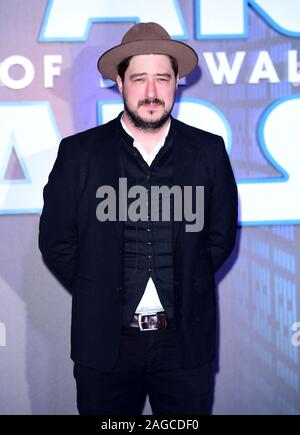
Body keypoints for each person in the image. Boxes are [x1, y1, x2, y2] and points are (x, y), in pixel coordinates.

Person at [39, 22, 238, 415]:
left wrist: (187, 280)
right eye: (139, 79)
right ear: (119, 81)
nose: (151, 92)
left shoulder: (209, 152)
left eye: (162, 79)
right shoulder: (79, 154)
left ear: (177, 82)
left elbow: (220, 237)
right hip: (105, 344)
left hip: (184, 343)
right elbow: (56, 241)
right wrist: (98, 287)